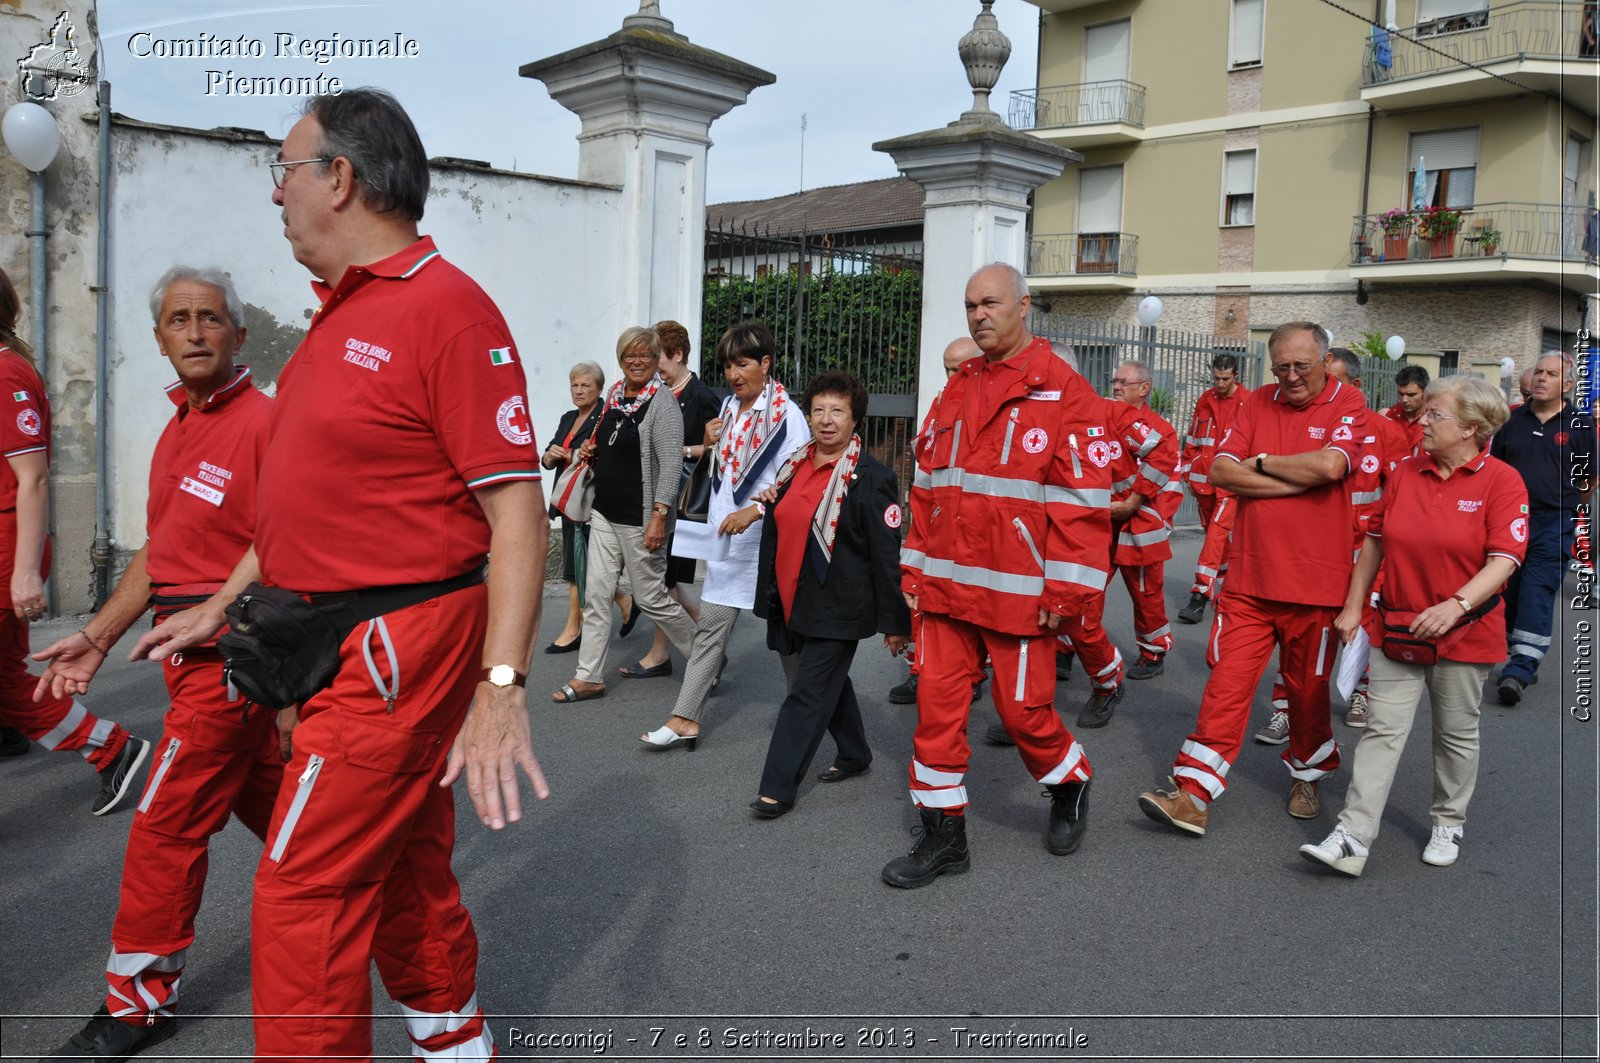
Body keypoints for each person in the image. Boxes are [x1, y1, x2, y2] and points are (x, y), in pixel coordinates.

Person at [138, 88, 548, 1061]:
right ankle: (455, 1044)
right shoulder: (332, 321)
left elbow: (517, 509)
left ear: (340, 177)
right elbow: (303, 503)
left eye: (284, 170)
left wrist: (500, 688)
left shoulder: (444, 310)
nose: (275, 194)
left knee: (301, 892)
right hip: (315, 640)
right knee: (405, 865)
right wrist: (221, 606)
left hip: (390, 650)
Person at [35, 267, 280, 1059]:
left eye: (212, 317)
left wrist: (223, 618)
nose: (197, 331)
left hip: (233, 664)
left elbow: (284, 540)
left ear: (239, 334)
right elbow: (160, 552)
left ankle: (137, 1001)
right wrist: (100, 634)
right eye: (180, 319)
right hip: (186, 663)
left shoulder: (266, 423)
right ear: (158, 339)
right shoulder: (178, 427)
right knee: (304, 834)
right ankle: (399, 934)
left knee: (164, 824)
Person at [885, 263, 1111, 888]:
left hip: (1019, 594)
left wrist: (1066, 592)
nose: (979, 315)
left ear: (1023, 305)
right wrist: (913, 576)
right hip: (947, 590)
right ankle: (943, 837)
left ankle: (1069, 783)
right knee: (935, 712)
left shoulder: (1064, 391)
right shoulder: (957, 388)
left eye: (990, 303)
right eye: (969, 306)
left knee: (1023, 715)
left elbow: (1083, 506)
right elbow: (927, 488)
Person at [1139, 322, 1365, 836]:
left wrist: (1261, 464)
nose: (1289, 376)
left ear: (1325, 363)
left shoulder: (1348, 402)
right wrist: (1292, 481)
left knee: (1307, 694)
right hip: (1249, 582)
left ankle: (1307, 773)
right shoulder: (1255, 402)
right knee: (1226, 686)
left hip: (1317, 586)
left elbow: (1332, 466)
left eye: (1301, 366)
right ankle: (1193, 795)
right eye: (1280, 366)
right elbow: (1220, 471)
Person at [1301, 376, 1526, 876]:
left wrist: (1457, 605)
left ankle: (1449, 820)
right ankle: (1353, 836)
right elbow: (1374, 542)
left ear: (1471, 428)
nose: (1422, 422)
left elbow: (1505, 559)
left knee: (1454, 734)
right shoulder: (1404, 471)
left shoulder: (1502, 481)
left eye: (1435, 416)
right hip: (1397, 624)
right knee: (1382, 731)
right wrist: (1354, 606)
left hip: (1466, 631)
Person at [0, 265, 148, 817]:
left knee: (4, 680)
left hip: (5, 547)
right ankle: (27, 734)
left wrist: (23, 573)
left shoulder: (6, 375)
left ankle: (109, 745)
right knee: (5, 675)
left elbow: (32, 479)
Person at [639, 321, 809, 749]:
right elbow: (727, 468)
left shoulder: (788, 416)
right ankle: (685, 718)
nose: (734, 373)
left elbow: (799, 482)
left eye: (744, 363)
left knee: (785, 639)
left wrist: (754, 511)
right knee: (712, 629)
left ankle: (809, 714)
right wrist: (709, 440)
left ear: (765, 364)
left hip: (768, 542)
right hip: (726, 540)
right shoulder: (730, 407)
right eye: (729, 365)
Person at [748, 371, 910, 814]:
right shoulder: (793, 464)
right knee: (827, 684)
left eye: (837, 410)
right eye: (818, 409)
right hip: (792, 596)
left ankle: (776, 787)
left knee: (806, 691)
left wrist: (897, 622)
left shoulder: (872, 478)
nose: (826, 419)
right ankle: (856, 753)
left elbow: (885, 553)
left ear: (856, 418)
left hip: (839, 605)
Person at [553, 326, 697, 702]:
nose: (637, 361)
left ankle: (705, 659)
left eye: (645, 355)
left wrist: (659, 517)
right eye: (629, 356)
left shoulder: (663, 403)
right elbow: (607, 440)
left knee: (651, 598)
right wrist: (591, 449)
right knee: (596, 594)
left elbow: (669, 467)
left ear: (655, 360)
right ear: (620, 360)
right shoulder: (615, 394)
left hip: (641, 517)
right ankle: (589, 677)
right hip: (603, 511)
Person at [1491, 351, 1595, 704]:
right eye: (1538, 372)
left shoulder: (1580, 426)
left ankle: (1520, 669)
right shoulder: (1512, 421)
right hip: (1509, 520)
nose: (1541, 378)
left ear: (1566, 385)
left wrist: (1566, 505)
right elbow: (1496, 470)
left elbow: (1589, 479)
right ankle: (1505, 651)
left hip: (1554, 522)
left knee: (1538, 590)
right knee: (1508, 589)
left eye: (1550, 374)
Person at [887, 336, 981, 707]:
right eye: (947, 369)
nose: (951, 377)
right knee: (921, 598)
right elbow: (925, 459)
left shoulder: (994, 407)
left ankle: (974, 675)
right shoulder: (941, 404)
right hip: (939, 523)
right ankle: (919, 672)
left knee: (971, 611)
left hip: (978, 531)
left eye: (959, 370)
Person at [1322, 347, 1411, 730]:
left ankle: (1362, 692)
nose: (1325, 392)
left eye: (1335, 383)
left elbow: (1401, 497)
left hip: (1366, 549)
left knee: (1362, 621)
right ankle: (1287, 707)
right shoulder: (1313, 424)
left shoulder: (1386, 431)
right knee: (1310, 626)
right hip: (1319, 547)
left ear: (1356, 385)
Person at [630, 319, 720, 677]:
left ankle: (664, 654)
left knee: (665, 581)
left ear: (678, 354)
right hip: (661, 499)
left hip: (685, 502)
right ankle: (707, 644)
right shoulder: (658, 394)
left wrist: (678, 449)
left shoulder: (704, 397)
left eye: (659, 360)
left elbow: (720, 449)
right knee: (667, 582)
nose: (654, 368)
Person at [540, 361, 634, 655]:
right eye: (575, 385)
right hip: (567, 499)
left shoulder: (605, 417)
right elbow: (547, 459)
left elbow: (605, 457)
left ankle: (573, 629)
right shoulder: (568, 417)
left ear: (599, 389)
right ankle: (623, 600)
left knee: (575, 565)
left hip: (590, 500)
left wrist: (568, 454)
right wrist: (551, 456)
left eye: (585, 386)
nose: (579, 391)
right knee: (577, 564)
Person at [1106, 360, 1182, 680]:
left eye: (1123, 382)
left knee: (1146, 593)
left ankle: (1153, 651)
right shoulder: (1105, 418)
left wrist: (1156, 523)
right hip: (1101, 521)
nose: (1116, 387)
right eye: (1114, 381)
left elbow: (1171, 484)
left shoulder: (1161, 431)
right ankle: (1066, 649)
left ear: (1144, 387)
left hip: (1139, 524)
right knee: (1081, 589)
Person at [1178, 353, 1251, 624]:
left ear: (1236, 377)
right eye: (1216, 378)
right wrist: (1188, 467)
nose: (1220, 383)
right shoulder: (1206, 399)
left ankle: (1200, 591)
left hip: (1231, 481)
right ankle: (1229, 580)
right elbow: (1194, 436)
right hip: (1203, 480)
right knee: (1214, 534)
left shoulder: (1248, 402)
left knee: (1216, 534)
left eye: (1225, 378)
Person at [1384, 364, 1429, 456]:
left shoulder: (1434, 420)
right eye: (1401, 394)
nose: (1404, 400)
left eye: (1411, 395)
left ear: (1425, 392)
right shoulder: (1388, 417)